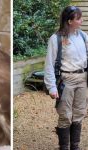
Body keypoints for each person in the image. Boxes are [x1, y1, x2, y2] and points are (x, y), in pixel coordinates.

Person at [44, 6, 88, 150]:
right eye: (79, 19)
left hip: (83, 79)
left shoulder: (83, 37)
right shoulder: (56, 39)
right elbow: (49, 64)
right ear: (69, 21)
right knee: (65, 115)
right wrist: (51, 86)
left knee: (79, 113)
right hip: (66, 81)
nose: (81, 21)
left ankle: (75, 146)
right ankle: (64, 147)